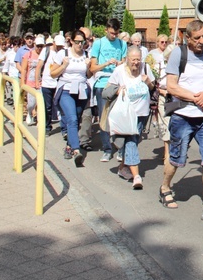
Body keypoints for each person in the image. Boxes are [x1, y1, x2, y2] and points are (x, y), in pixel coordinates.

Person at [160, 20, 203, 224]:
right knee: (177, 159)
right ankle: (165, 187)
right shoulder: (179, 54)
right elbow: (171, 86)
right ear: (187, 38)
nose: (202, 41)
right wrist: (197, 98)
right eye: (197, 38)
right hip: (183, 115)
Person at [105, 46, 155, 188]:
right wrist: (117, 90)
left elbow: (152, 88)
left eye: (138, 59)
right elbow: (107, 89)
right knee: (132, 142)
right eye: (133, 60)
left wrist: (148, 82)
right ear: (127, 59)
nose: (136, 63)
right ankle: (137, 176)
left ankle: (122, 167)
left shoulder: (145, 68)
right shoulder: (119, 71)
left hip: (142, 114)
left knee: (133, 141)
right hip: (126, 115)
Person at [51, 30, 91, 167]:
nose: (80, 44)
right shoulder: (63, 54)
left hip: (81, 90)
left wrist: (88, 66)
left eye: (82, 42)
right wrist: (63, 65)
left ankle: (69, 147)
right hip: (66, 90)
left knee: (77, 119)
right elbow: (52, 74)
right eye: (77, 41)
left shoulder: (86, 54)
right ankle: (76, 150)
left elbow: (89, 75)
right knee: (72, 119)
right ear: (71, 41)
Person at [89, 18, 127, 161]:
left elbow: (125, 61)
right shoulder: (98, 43)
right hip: (102, 83)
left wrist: (120, 63)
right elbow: (93, 67)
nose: (114, 36)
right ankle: (107, 148)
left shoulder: (122, 43)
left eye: (116, 34)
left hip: (118, 83)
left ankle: (120, 148)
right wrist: (106, 63)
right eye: (112, 33)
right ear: (106, 30)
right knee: (104, 116)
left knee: (120, 116)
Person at [147, 34, 171, 161]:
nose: (164, 44)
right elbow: (153, 78)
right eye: (162, 42)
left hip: (174, 96)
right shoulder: (154, 57)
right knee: (165, 122)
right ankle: (167, 152)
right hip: (162, 94)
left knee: (172, 123)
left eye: (166, 42)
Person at [36, 34, 66, 136]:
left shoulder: (64, 52)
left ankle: (64, 129)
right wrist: (37, 80)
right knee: (48, 106)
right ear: (53, 43)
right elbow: (39, 66)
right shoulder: (46, 50)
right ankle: (47, 127)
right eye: (58, 46)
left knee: (61, 106)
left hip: (59, 82)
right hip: (47, 82)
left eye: (61, 46)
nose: (59, 48)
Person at [20, 34, 44, 126]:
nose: (40, 48)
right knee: (31, 103)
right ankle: (30, 113)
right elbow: (24, 69)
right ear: (34, 45)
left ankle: (39, 119)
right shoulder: (28, 54)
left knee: (41, 102)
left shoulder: (45, 55)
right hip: (30, 82)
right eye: (38, 46)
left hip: (41, 82)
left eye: (41, 46)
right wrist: (22, 82)